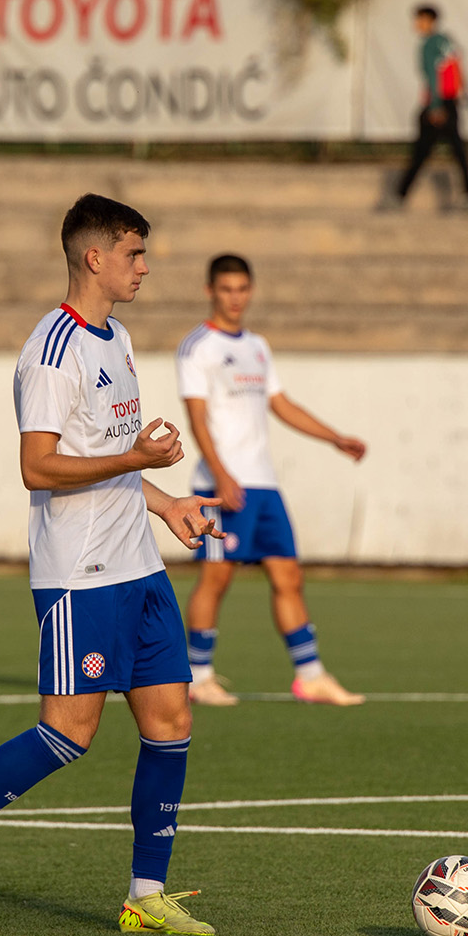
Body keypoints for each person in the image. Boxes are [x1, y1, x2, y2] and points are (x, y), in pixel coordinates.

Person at [0, 193, 224, 936]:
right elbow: (38, 468)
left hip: (136, 565)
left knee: (170, 721)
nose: (145, 266)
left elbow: (104, 452)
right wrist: (137, 456)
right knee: (68, 733)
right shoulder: (52, 350)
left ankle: (145, 895)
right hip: (79, 572)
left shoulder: (120, 338)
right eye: (134, 253)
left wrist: (163, 499)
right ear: (94, 257)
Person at [176, 254, 368, 707]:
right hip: (221, 485)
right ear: (210, 291)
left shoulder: (258, 346)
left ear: (251, 291)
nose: (235, 298)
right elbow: (196, 417)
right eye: (226, 289)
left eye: (242, 289)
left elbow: (280, 404)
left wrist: (334, 438)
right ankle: (196, 676)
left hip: (263, 485)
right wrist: (221, 475)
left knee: (288, 576)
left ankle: (310, 675)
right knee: (216, 579)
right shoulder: (197, 346)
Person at [385, 3, 468, 212]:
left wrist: (435, 106)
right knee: (449, 150)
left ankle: (400, 196)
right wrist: (459, 94)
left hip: (438, 104)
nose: (417, 24)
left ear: (430, 21)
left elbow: (435, 78)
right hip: (449, 101)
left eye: (420, 20)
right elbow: (457, 68)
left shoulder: (430, 45)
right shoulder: (446, 42)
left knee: (425, 152)